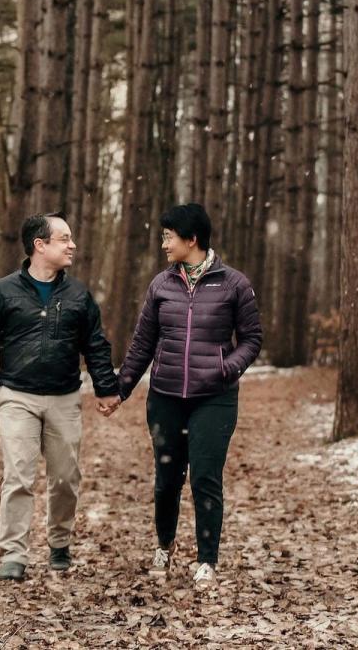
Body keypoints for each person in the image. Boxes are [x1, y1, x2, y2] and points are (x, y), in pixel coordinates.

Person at [104, 203, 262, 588]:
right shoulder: (161, 285)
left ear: (192, 240)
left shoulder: (234, 284)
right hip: (166, 396)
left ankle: (207, 559)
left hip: (215, 398)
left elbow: (252, 340)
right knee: (167, 478)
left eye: (168, 237)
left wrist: (227, 368)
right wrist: (119, 388)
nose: (163, 244)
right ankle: (165, 544)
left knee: (205, 477)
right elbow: (143, 343)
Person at [0, 212, 120, 581]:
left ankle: (59, 542)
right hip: (17, 395)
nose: (72, 245)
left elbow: (95, 345)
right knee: (18, 474)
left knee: (65, 478)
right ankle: (12, 553)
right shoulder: (1, 292)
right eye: (64, 238)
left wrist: (106, 387)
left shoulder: (78, 295)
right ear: (40, 245)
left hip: (64, 398)